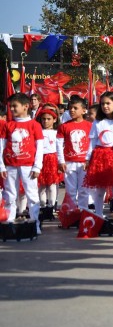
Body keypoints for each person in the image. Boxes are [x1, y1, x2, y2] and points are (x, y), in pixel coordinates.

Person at [83, 91, 113, 218]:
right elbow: (92, 141)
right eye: (103, 104)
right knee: (100, 189)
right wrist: (88, 158)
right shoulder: (98, 122)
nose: (105, 106)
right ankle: (98, 215)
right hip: (100, 157)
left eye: (108, 103)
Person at [0, 93, 44, 233]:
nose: (12, 109)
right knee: (10, 195)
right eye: (10, 106)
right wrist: (1, 165)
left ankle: (35, 224)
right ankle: (9, 224)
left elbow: (40, 147)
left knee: (32, 195)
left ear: (26, 106)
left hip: (28, 166)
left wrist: (37, 166)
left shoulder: (34, 125)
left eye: (15, 106)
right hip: (10, 165)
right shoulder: (8, 125)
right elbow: (1, 146)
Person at [57, 97, 93, 210]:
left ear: (83, 110)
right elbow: (59, 144)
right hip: (69, 163)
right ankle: (71, 212)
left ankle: (83, 211)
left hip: (84, 163)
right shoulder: (64, 126)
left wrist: (89, 160)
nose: (72, 110)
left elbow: (92, 144)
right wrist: (61, 161)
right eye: (70, 108)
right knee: (70, 190)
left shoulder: (89, 126)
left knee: (83, 190)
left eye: (75, 108)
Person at [35, 107, 62, 208]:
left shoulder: (57, 132)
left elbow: (60, 148)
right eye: (43, 119)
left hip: (52, 160)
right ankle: (42, 205)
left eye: (48, 119)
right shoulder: (38, 131)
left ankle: (51, 206)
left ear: (54, 120)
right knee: (41, 185)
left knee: (52, 184)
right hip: (40, 159)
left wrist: (60, 162)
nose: (45, 121)